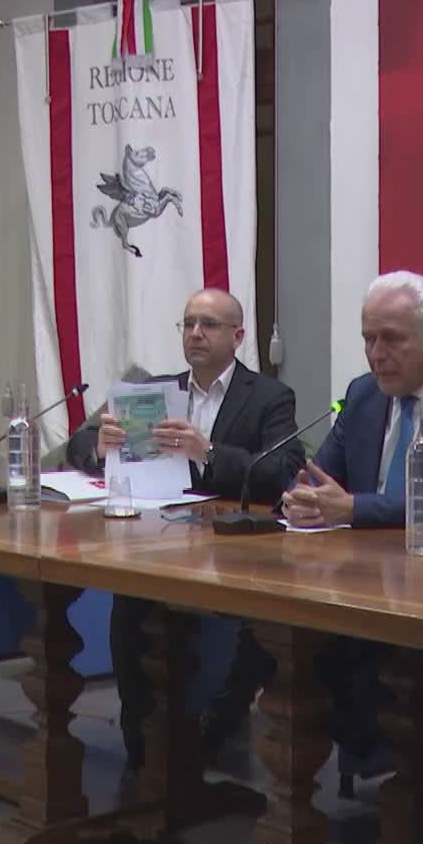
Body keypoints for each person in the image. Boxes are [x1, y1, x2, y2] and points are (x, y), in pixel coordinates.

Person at [281, 270, 423, 787]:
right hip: (366, 574)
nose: (376, 354)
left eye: (391, 339)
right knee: (293, 646)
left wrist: (353, 508)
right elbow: (322, 475)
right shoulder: (362, 394)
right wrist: (303, 496)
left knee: (359, 656)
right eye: (368, 338)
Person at [67, 289, 303, 776]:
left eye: (209, 325)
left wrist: (208, 452)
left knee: (250, 631)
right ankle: (141, 741)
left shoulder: (268, 397)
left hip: (233, 548)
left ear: (238, 336)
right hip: (157, 539)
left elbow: (281, 471)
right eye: (189, 323)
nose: (196, 333)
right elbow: (78, 444)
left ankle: (209, 734)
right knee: (130, 604)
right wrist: (99, 445)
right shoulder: (155, 392)